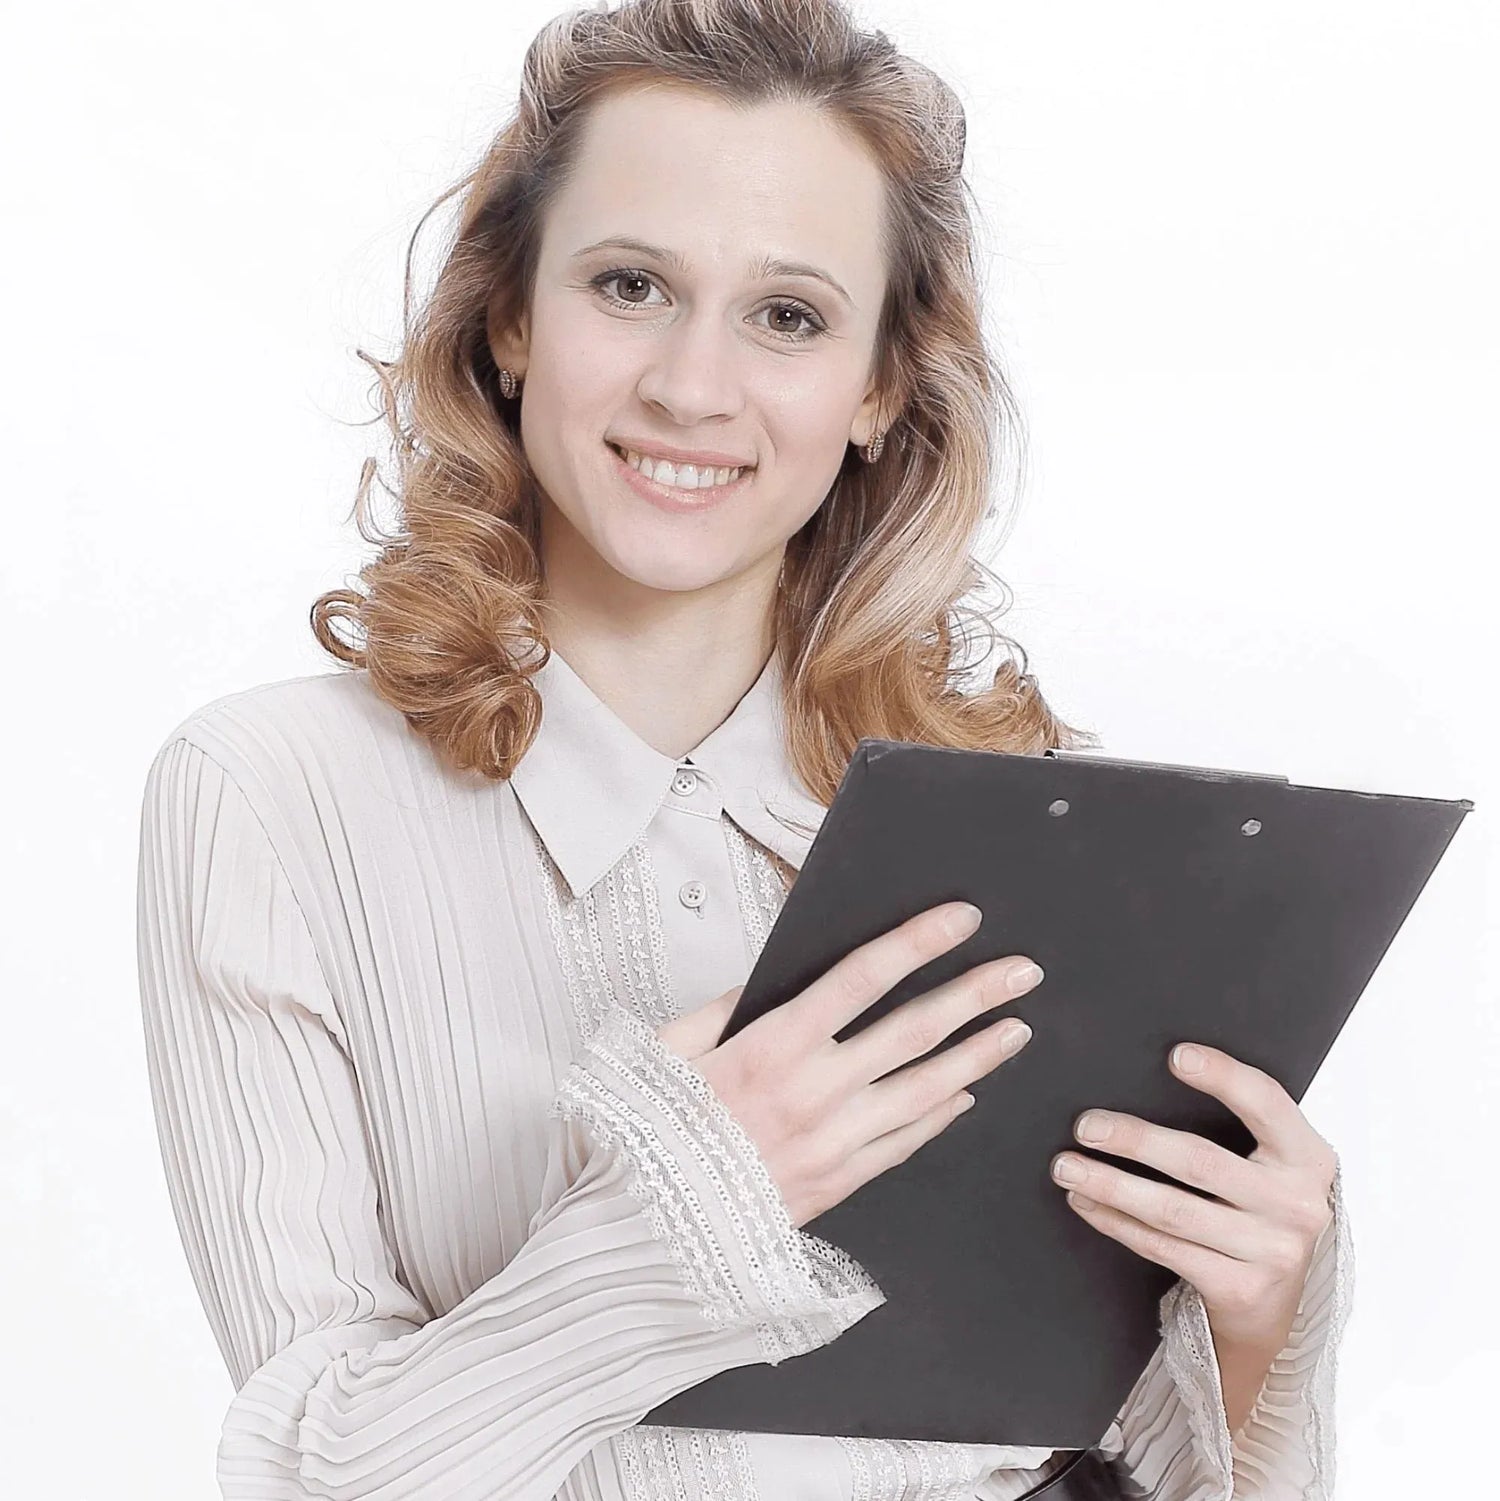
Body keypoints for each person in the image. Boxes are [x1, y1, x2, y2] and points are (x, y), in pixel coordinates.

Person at [134, 1, 1351, 1498]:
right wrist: (683, 1212)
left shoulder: (1032, 826)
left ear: (880, 388)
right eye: (631, 284)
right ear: (511, 317)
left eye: (788, 315)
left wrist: (1251, 1325)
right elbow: (307, 1476)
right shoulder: (270, 799)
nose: (692, 387)